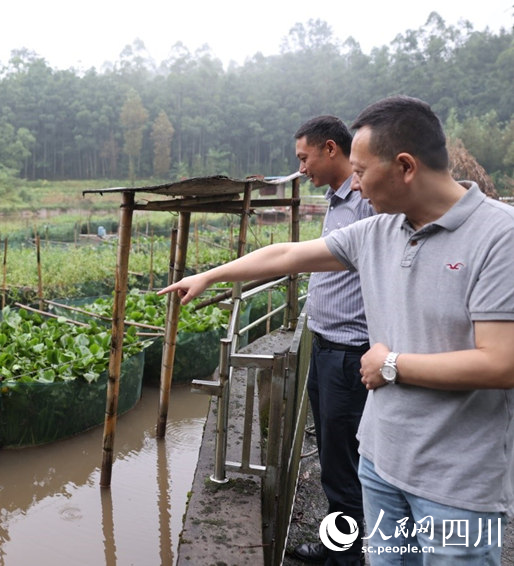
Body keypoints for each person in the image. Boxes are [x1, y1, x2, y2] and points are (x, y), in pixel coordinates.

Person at [159, 95, 514, 565]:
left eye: (363, 172)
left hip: (455, 482)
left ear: (405, 166)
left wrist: (390, 364)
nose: (358, 185)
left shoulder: (499, 236)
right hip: (382, 462)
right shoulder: (379, 231)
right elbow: (287, 255)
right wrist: (211, 275)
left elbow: (501, 362)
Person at [292, 116, 375, 565]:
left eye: (304, 158)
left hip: (348, 352)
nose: (301, 168)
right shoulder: (336, 200)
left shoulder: (366, 202)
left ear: (329, 149)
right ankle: (335, 545)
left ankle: (346, 558)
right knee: (332, 456)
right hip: (325, 347)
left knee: (345, 465)